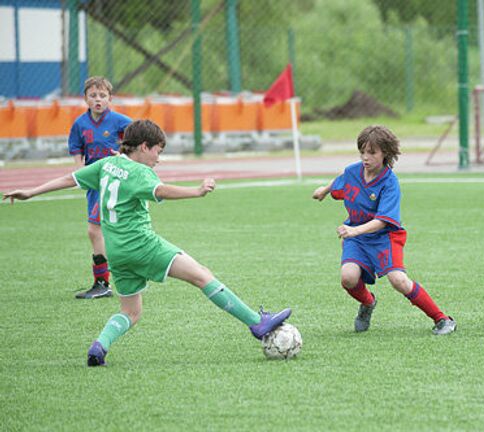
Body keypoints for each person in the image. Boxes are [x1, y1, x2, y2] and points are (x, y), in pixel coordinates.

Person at [3, 119, 291, 366]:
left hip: (115, 252)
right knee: (203, 276)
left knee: (131, 311)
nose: (158, 158)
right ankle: (257, 322)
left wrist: (32, 191)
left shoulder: (107, 164)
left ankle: (99, 347)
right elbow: (161, 190)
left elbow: (70, 178)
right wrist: (197, 191)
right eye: (158, 151)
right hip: (142, 245)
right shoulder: (140, 172)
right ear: (143, 146)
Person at [312, 125, 456, 335]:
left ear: (385, 153)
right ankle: (368, 303)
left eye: (371, 152)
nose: (365, 157)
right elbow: (340, 181)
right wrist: (324, 191)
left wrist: (354, 231)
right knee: (348, 278)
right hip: (358, 237)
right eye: (362, 151)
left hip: (385, 237)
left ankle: (442, 319)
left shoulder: (390, 183)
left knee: (398, 280)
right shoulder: (353, 171)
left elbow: (382, 220)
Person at [68, 76, 132, 299]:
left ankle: (103, 283)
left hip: (114, 181)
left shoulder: (120, 121)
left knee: (95, 230)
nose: (98, 100)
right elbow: (75, 148)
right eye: (93, 95)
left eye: (102, 96)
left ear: (110, 99)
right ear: (85, 98)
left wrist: (124, 154)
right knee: (109, 230)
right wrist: (80, 172)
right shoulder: (80, 124)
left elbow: (139, 138)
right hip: (95, 183)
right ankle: (122, 277)